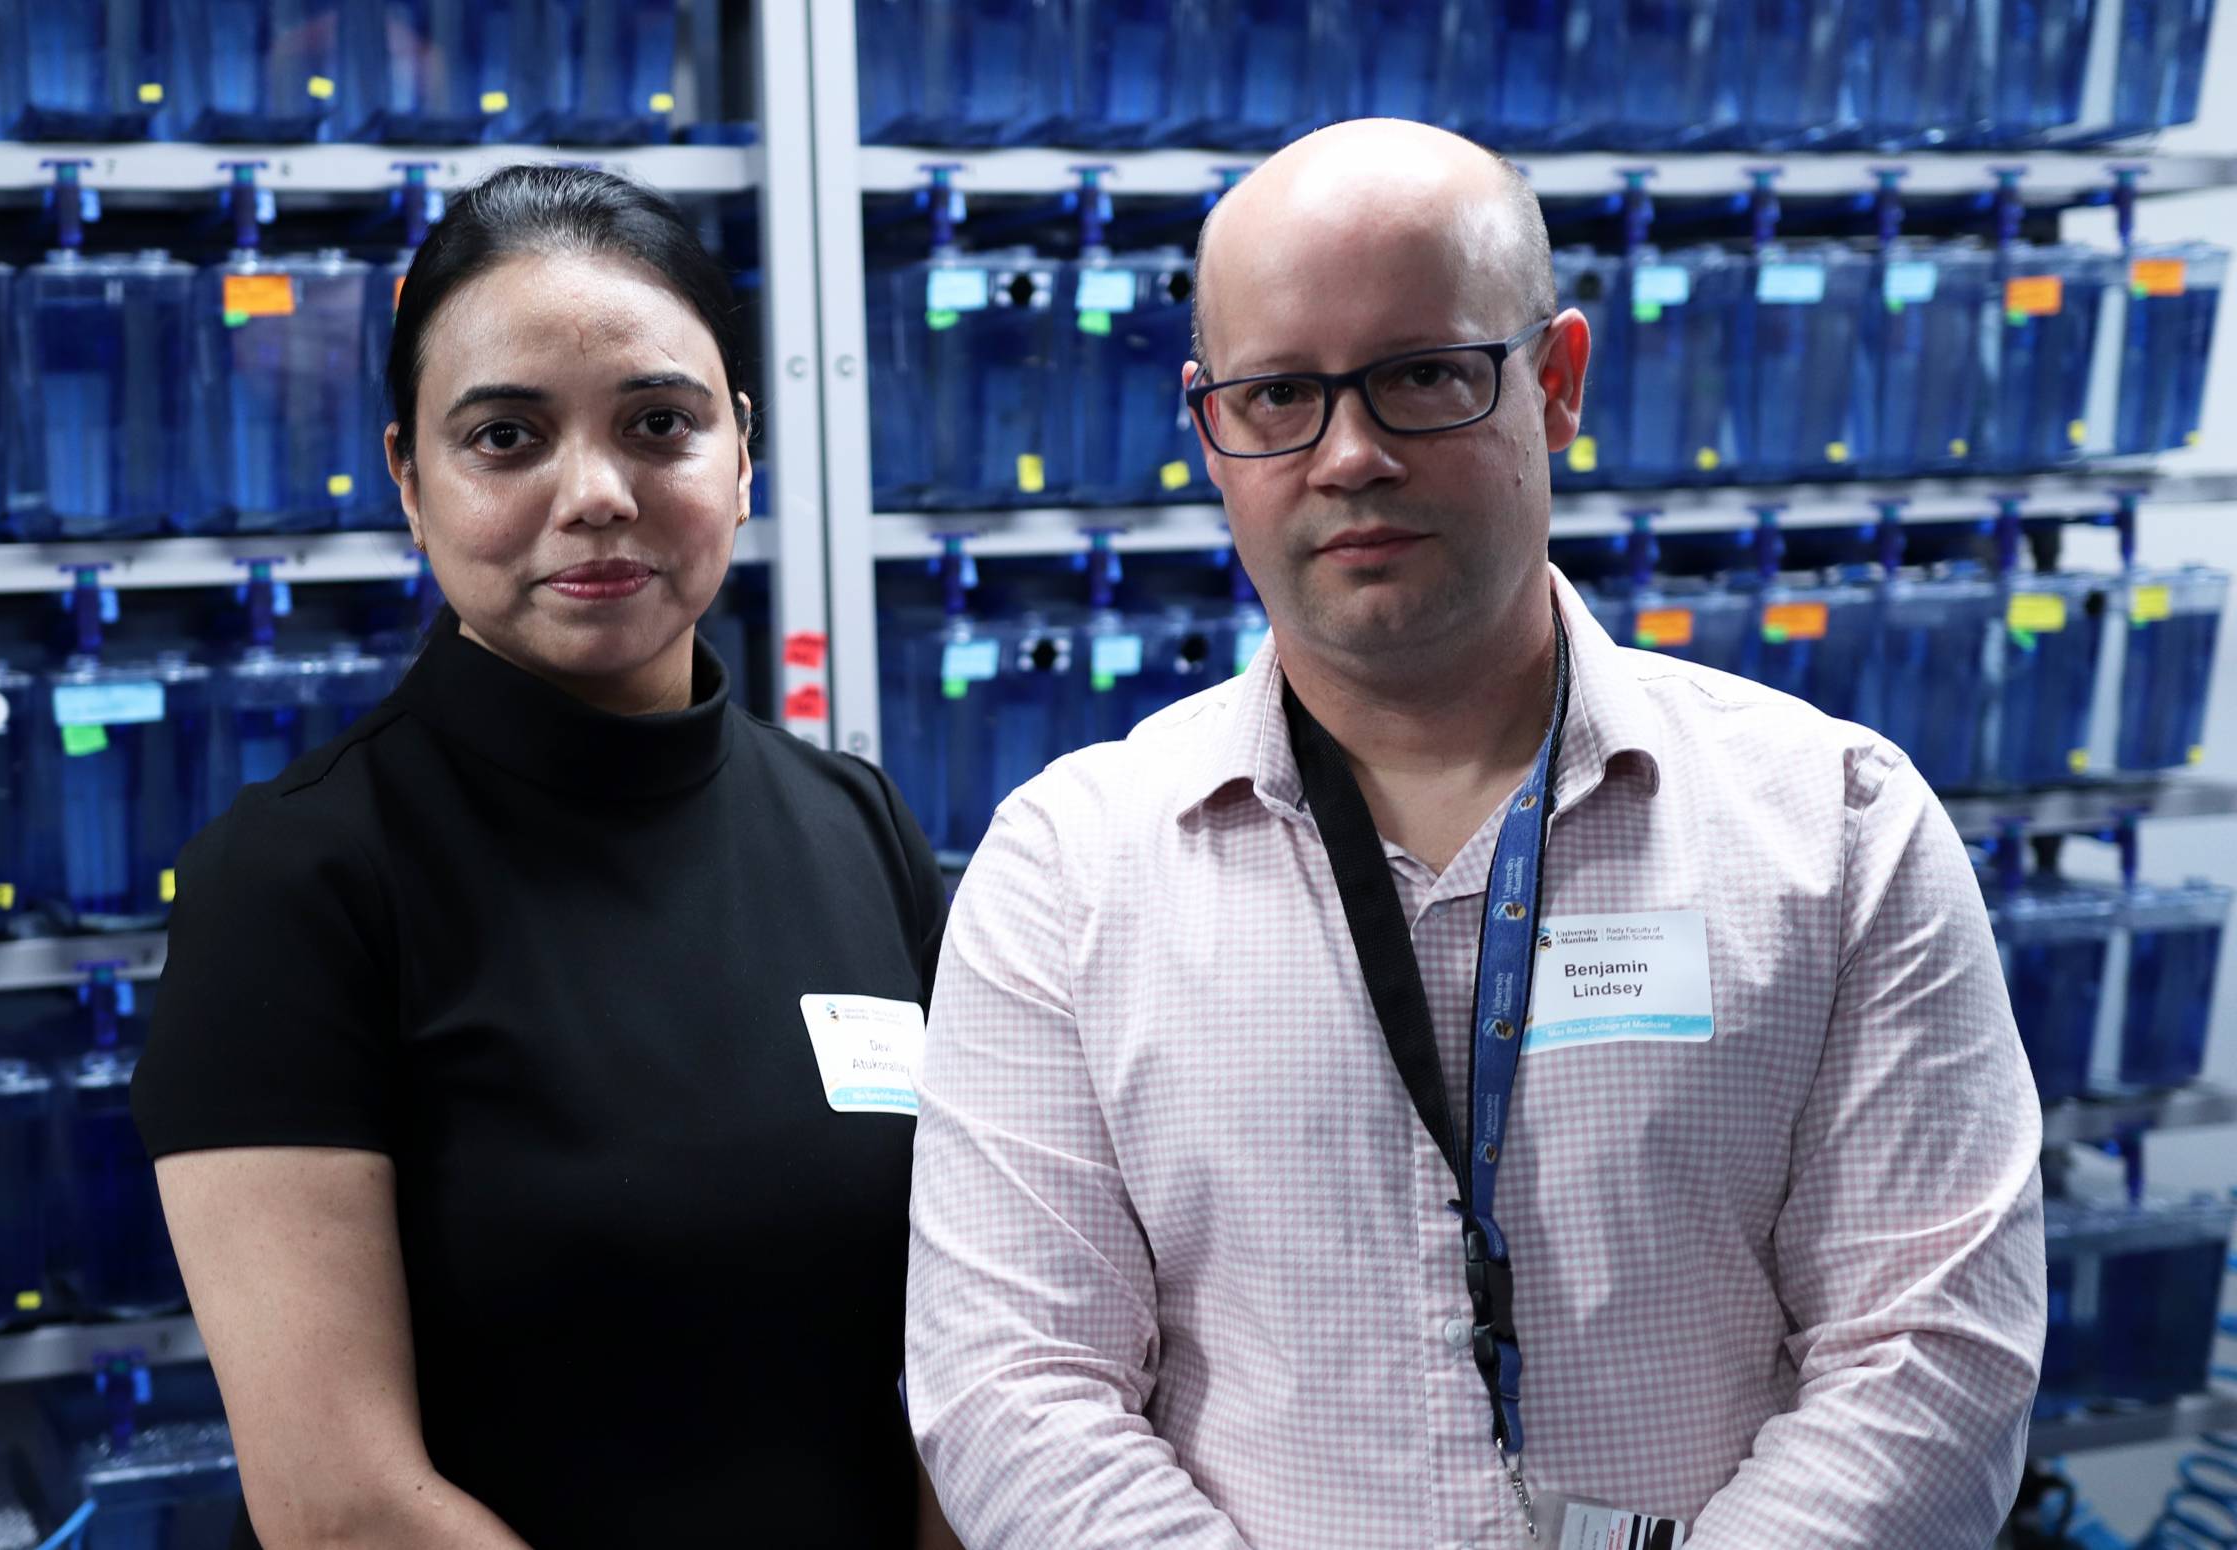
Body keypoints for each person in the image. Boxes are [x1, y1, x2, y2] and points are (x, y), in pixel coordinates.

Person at [905, 119, 2045, 1550]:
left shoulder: (1840, 828)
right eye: (1279, 396)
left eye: (1424, 375)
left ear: (1556, 383)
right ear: (1211, 424)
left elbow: (1933, 1351)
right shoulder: (1065, 871)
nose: (1352, 455)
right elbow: (1014, 1383)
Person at [134, 165, 955, 1550]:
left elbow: (968, 1354)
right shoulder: (296, 885)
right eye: (507, 436)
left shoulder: (857, 829)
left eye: (659, 425)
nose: (597, 494)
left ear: (741, 452)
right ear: (410, 476)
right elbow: (342, 1507)